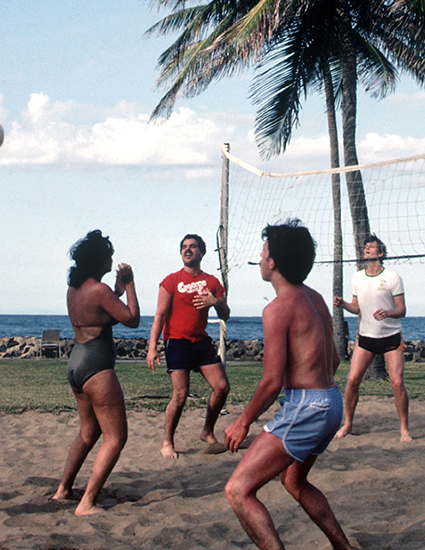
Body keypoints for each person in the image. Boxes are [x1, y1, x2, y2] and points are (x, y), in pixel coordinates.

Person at [224, 220, 352, 550]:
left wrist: (242, 422)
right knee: (294, 480)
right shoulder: (316, 299)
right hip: (331, 401)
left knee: (238, 490)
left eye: (264, 251)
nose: (260, 257)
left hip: (308, 406)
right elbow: (335, 361)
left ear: (273, 262)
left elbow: (270, 382)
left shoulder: (278, 308)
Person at [52, 230, 140, 514]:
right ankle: (87, 502)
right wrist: (129, 286)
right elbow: (131, 319)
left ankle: (63, 489)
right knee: (116, 438)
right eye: (109, 257)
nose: (111, 261)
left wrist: (115, 288)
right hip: (96, 367)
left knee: (88, 433)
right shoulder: (98, 291)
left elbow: (100, 312)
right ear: (100, 261)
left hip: (76, 363)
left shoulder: (76, 290)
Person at [146, 233, 231, 458]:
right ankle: (167, 442)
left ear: (201, 252)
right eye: (184, 247)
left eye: (193, 247)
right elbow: (160, 315)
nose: (188, 250)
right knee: (180, 395)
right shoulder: (171, 280)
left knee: (222, 387)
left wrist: (215, 302)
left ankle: (207, 431)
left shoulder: (211, 281)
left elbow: (226, 314)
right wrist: (152, 346)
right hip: (177, 342)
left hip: (201, 342)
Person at [332, 234, 412, 441]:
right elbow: (356, 308)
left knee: (396, 382)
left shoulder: (392, 277)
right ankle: (348, 424)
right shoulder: (357, 277)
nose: (366, 249)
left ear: (381, 253)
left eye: (371, 246)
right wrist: (343, 305)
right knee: (352, 380)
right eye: (365, 246)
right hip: (366, 337)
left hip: (391, 337)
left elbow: (402, 310)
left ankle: (404, 429)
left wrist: (388, 312)